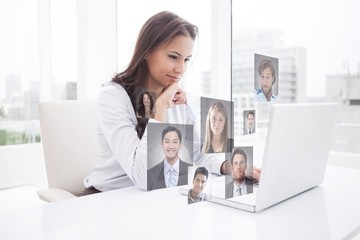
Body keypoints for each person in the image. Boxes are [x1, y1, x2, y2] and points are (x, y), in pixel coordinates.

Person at [83, 11, 241, 193]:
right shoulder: (112, 97)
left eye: (186, 59)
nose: (181, 69)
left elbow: (197, 155)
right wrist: (160, 108)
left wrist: (228, 166)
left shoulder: (176, 97)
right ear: (147, 51)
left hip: (160, 194)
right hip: (110, 196)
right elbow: (144, 176)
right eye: (173, 56)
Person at [147, 126, 191, 190]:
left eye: (175, 142)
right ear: (162, 144)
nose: (171, 146)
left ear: (180, 145)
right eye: (167, 141)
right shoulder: (150, 173)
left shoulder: (191, 170)